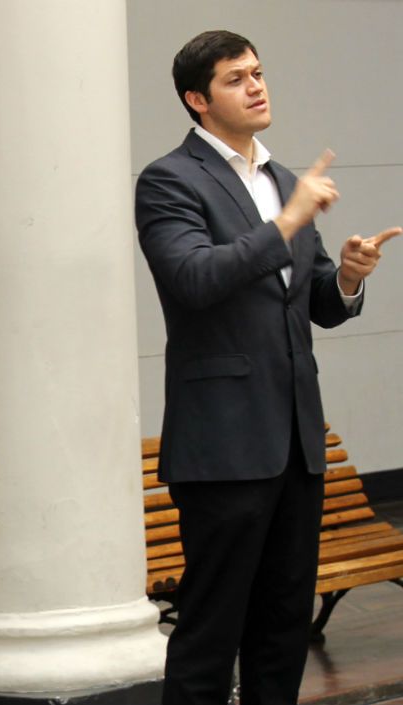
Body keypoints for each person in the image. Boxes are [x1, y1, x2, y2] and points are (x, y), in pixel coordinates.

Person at [135, 31, 400, 705]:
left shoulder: (285, 182)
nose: (256, 86)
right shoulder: (170, 180)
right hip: (223, 446)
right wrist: (287, 222)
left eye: (258, 72)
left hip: (296, 443)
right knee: (211, 631)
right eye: (235, 79)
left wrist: (345, 276)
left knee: (283, 627)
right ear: (197, 100)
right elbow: (194, 279)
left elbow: (314, 303)